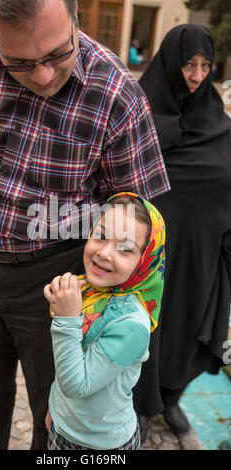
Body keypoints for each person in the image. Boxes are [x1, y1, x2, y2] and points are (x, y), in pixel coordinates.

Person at [0, 0, 170, 450]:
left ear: (74, 12)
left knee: (54, 413)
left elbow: (141, 218)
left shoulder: (116, 92)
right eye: (18, 62)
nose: (42, 76)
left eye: (58, 54)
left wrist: (127, 315)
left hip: (65, 274)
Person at [133, 24, 231, 439]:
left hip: (202, 252)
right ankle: (138, 403)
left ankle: (170, 399)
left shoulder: (218, 121)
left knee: (189, 326)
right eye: (188, 64)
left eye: (205, 65)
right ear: (170, 62)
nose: (196, 74)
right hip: (148, 252)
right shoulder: (138, 115)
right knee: (141, 326)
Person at [44, 193, 166, 450]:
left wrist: (67, 318)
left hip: (102, 443)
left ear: (144, 261)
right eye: (100, 236)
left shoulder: (132, 325)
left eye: (125, 248)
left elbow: (78, 385)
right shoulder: (88, 290)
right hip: (63, 426)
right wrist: (56, 407)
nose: (105, 253)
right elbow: (72, 357)